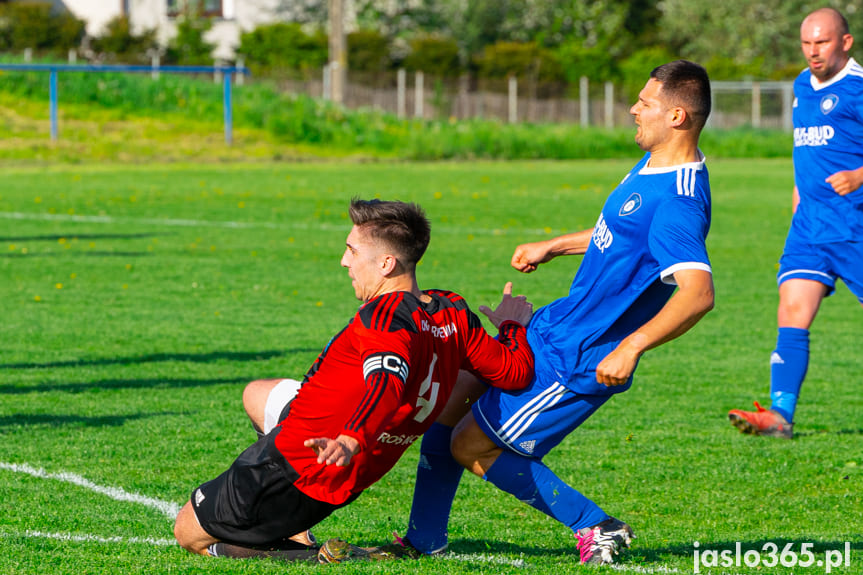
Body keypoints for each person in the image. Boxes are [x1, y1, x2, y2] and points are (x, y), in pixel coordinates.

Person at [320, 60, 715, 566]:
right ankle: (422, 541)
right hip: (554, 327)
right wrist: (556, 245)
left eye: (646, 102)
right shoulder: (653, 164)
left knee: (472, 448)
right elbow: (619, 238)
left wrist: (632, 347)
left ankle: (597, 526)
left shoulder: (679, 201)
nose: (633, 108)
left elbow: (697, 292)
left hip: (581, 357)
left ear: (678, 116)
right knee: (448, 405)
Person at [173, 198, 535, 561]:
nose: (344, 260)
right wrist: (511, 327)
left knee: (188, 534)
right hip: (353, 455)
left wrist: (350, 438)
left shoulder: (385, 320)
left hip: (308, 463)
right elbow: (514, 372)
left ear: (386, 263)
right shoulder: (450, 309)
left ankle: (323, 555)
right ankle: (293, 529)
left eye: (351, 250)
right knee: (257, 394)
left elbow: (386, 381)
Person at [728, 8, 863, 439]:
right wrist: (796, 208)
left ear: (845, 42)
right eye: (806, 43)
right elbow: (803, 156)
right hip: (808, 228)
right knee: (791, 310)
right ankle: (780, 415)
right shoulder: (802, 86)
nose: (812, 52)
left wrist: (859, 176)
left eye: (821, 42)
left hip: (855, 227)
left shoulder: (859, 90)